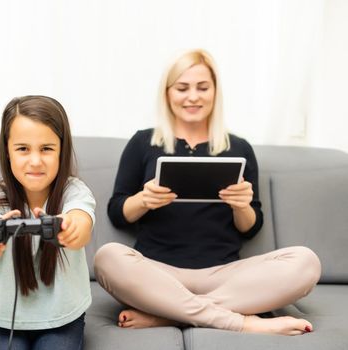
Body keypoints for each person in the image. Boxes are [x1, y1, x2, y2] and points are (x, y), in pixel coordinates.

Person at [93, 49, 321, 336]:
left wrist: (242, 206)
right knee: (106, 257)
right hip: (157, 273)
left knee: (306, 262)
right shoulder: (142, 143)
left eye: (203, 87)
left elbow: (251, 228)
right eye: (182, 88)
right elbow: (117, 213)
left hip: (224, 276)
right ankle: (241, 322)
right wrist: (143, 200)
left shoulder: (238, 148)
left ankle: (167, 315)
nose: (193, 97)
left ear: (215, 92)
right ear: (167, 93)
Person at [0, 95, 95, 349]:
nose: (36, 161)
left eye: (47, 148)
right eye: (23, 149)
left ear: (62, 149)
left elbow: (81, 221)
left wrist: (71, 227)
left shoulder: (75, 191)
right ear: (7, 151)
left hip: (63, 317)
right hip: (4, 319)